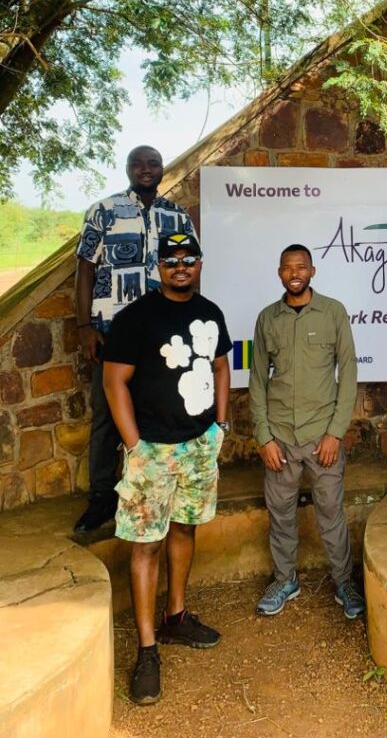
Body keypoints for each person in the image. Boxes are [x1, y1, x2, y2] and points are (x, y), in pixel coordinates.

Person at [103, 233, 232, 704]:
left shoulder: (211, 312)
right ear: (159, 267)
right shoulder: (135, 318)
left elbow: (221, 367)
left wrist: (220, 425)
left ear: (199, 263)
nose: (181, 266)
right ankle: (147, 649)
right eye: (171, 260)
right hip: (152, 450)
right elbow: (114, 382)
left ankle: (175, 617)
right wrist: (134, 445)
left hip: (198, 445)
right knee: (146, 545)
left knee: (184, 528)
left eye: (188, 258)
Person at [74, 145, 198, 532]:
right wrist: (85, 326)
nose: (146, 169)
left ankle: (151, 487)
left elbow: (189, 269)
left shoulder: (176, 215)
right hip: (112, 334)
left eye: (153, 163)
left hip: (163, 337)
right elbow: (85, 269)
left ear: (161, 170)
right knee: (106, 417)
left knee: (157, 412)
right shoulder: (103, 210)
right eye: (138, 164)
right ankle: (101, 497)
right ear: (128, 169)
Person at [248, 243, 365, 620]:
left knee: (331, 513)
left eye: (301, 267)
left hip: (322, 437)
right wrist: (264, 437)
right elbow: (257, 380)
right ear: (279, 273)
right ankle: (285, 580)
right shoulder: (268, 319)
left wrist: (335, 433)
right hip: (280, 438)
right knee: (280, 514)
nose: (294, 273)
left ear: (312, 271)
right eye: (288, 267)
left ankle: (344, 582)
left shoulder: (333, 312)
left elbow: (348, 374)